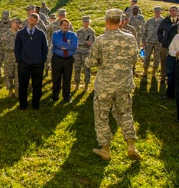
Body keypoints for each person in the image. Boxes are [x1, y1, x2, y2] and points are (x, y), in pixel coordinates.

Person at [86, 9, 141, 161]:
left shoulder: (101, 40)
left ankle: (105, 149)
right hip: (124, 83)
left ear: (107, 22)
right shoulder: (130, 39)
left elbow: (90, 62)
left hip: (105, 85)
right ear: (121, 21)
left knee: (102, 115)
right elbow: (135, 59)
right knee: (124, 113)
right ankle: (131, 145)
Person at [14, 13, 48, 110]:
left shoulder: (41, 33)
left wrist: (43, 59)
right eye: (31, 19)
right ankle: (23, 105)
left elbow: (44, 47)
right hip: (24, 64)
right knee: (23, 85)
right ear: (28, 19)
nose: (32, 22)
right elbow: (17, 48)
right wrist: (19, 60)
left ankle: (35, 104)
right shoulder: (20, 33)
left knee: (37, 85)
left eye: (35, 21)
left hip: (37, 64)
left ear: (37, 22)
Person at [51, 18, 78, 103]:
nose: (65, 27)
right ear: (60, 26)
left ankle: (67, 97)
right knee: (56, 78)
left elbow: (74, 46)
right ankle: (55, 96)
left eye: (67, 25)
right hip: (57, 59)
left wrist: (63, 46)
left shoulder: (73, 35)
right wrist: (68, 45)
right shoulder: (56, 34)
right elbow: (57, 44)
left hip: (68, 60)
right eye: (64, 25)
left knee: (67, 78)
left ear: (69, 26)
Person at [157, 5, 179, 86]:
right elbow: (159, 31)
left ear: (177, 11)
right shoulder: (165, 21)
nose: (172, 12)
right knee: (163, 62)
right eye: (170, 10)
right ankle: (163, 78)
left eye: (174, 10)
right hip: (166, 45)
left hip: (177, 46)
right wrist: (162, 41)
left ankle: (175, 79)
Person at [74, 16, 95, 92]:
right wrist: (84, 42)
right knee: (77, 69)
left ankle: (86, 85)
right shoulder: (78, 32)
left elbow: (90, 43)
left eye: (87, 21)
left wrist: (83, 43)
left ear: (89, 22)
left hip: (86, 53)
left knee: (87, 69)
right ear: (82, 22)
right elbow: (76, 42)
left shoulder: (91, 32)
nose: (86, 23)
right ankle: (77, 84)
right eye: (84, 21)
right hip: (77, 53)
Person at [142, 6, 164, 80]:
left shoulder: (163, 21)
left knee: (157, 58)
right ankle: (145, 71)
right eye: (155, 11)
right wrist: (143, 41)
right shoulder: (149, 21)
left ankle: (154, 73)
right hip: (149, 42)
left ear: (161, 11)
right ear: (153, 12)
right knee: (146, 57)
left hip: (158, 43)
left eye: (158, 11)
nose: (157, 13)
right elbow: (144, 31)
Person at [1, 17, 21, 97]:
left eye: (19, 23)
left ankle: (17, 90)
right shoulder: (6, 35)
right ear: (11, 23)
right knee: (8, 75)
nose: (17, 24)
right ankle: (10, 90)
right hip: (9, 58)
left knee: (18, 75)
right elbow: (4, 46)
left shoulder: (21, 34)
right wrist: (16, 48)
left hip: (19, 59)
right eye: (16, 23)